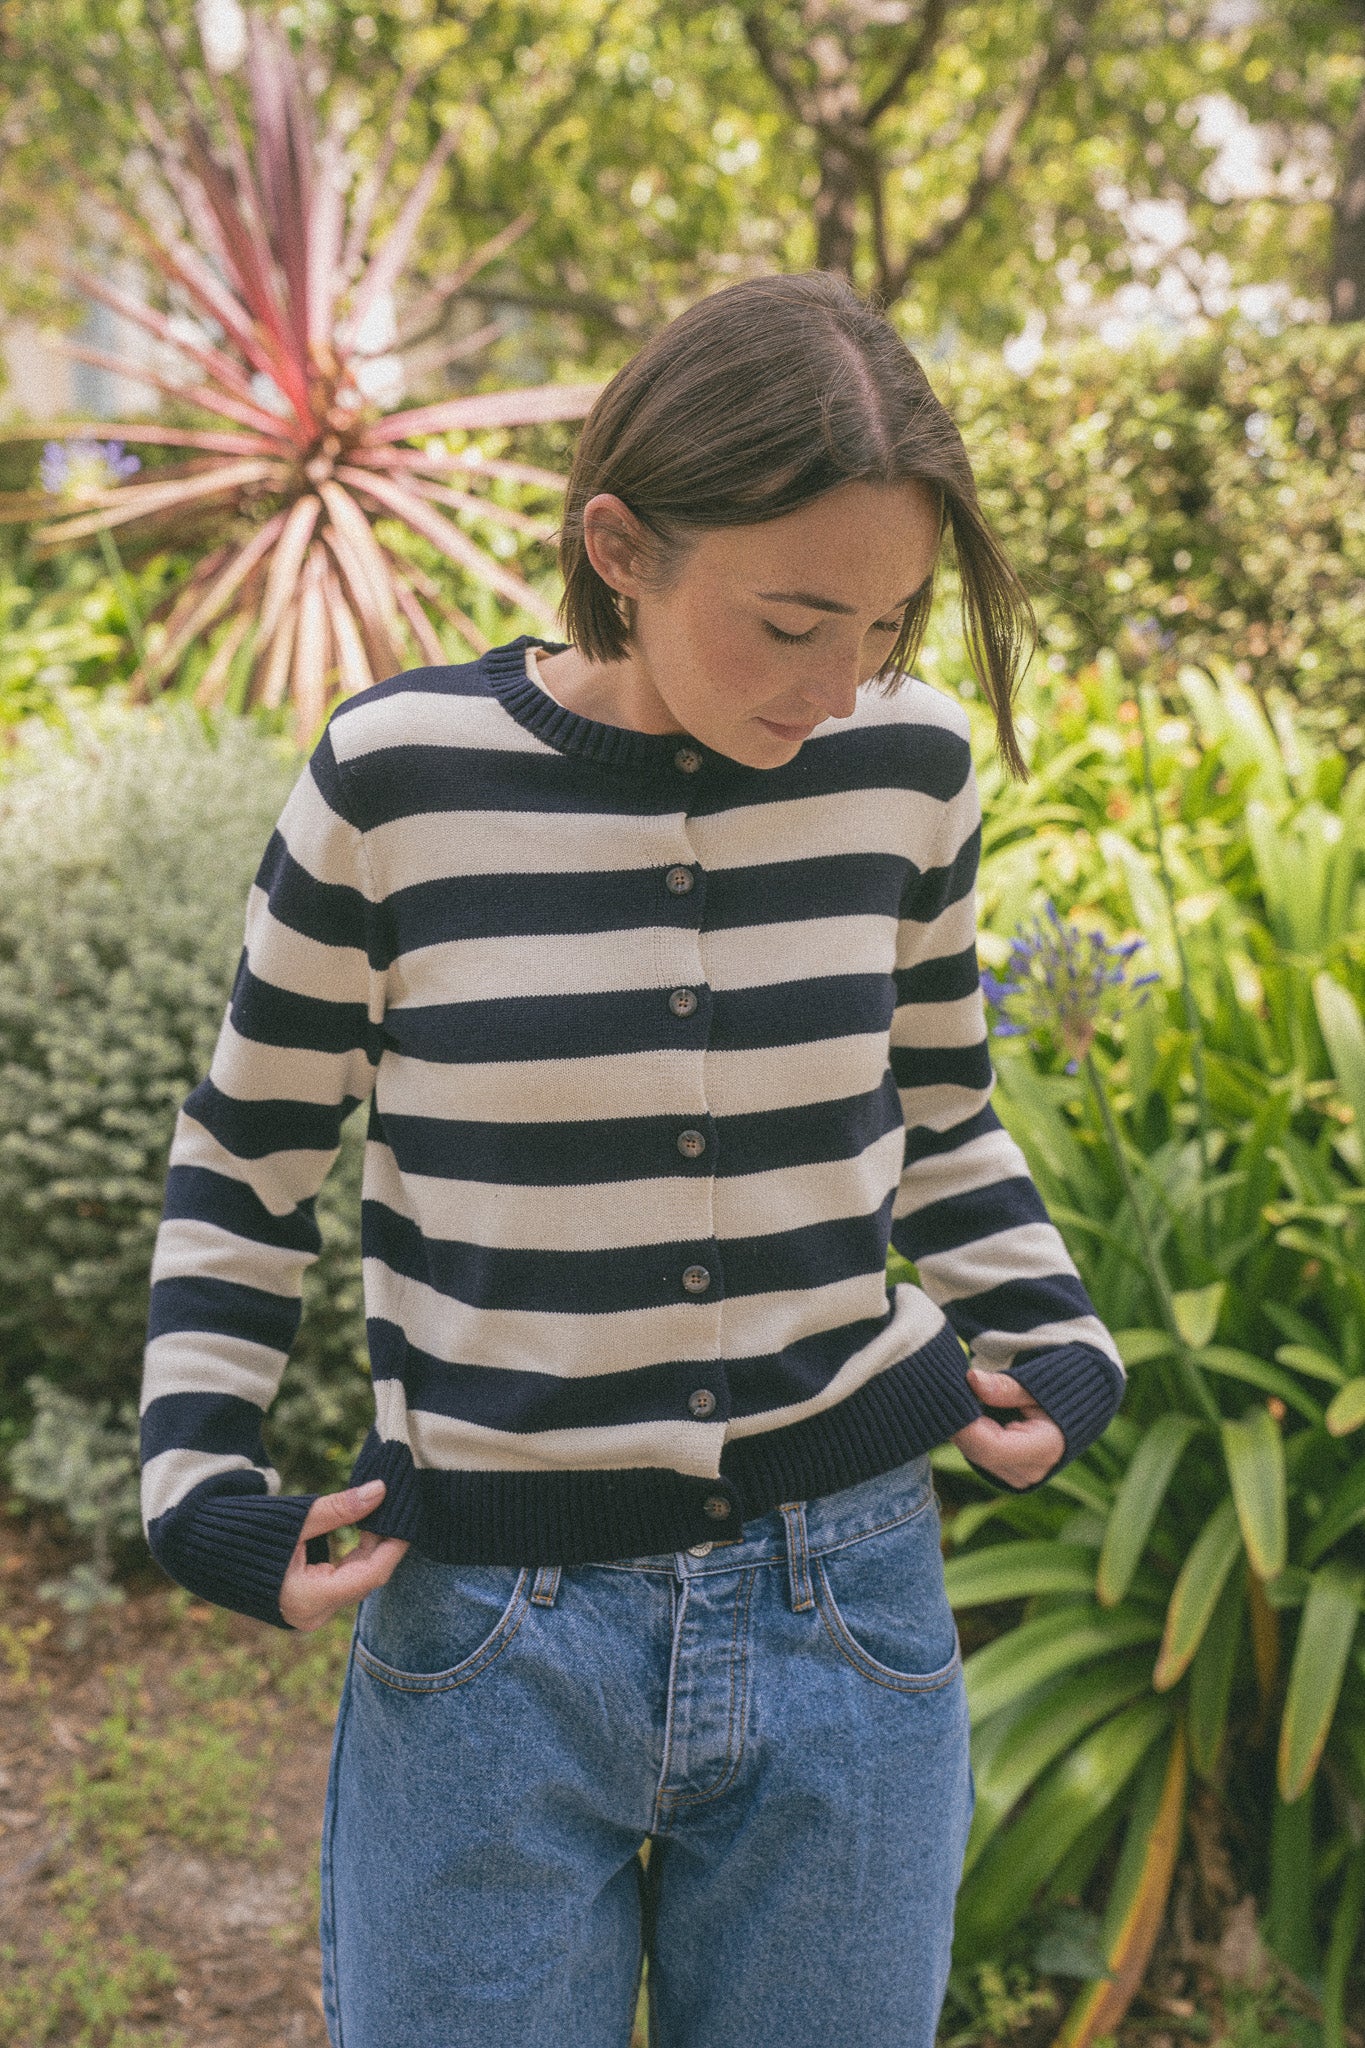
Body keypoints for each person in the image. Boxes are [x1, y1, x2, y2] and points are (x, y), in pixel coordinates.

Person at [138, 270, 1125, 2048]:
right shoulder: (397, 782)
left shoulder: (908, 771)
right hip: (492, 1640)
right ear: (619, 542)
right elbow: (250, 1148)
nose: (839, 687)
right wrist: (195, 1472)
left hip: (854, 1606)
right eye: (793, 619)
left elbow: (942, 1111)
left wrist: (1058, 1334)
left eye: (887, 625)